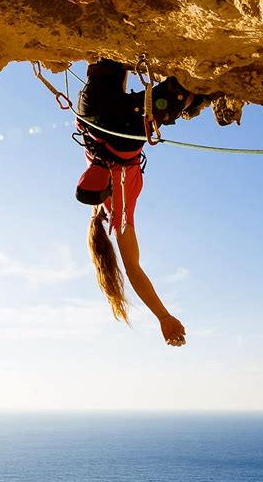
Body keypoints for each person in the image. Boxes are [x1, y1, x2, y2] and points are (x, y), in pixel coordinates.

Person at [74, 59, 206, 347]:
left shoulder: (119, 213)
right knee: (109, 64)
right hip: (89, 113)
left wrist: (163, 316)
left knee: (195, 88)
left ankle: (198, 101)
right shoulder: (92, 169)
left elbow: (133, 269)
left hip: (126, 131)